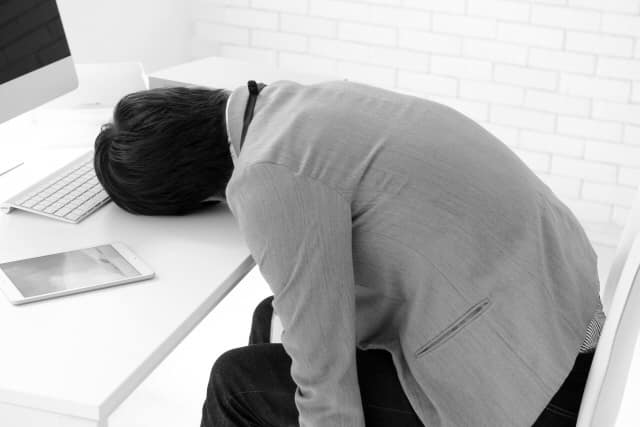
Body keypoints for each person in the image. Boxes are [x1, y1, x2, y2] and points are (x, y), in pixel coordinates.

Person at [94, 80, 606, 427]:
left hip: (532, 386)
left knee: (235, 383)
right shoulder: (296, 105)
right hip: (566, 322)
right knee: (271, 318)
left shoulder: (269, 177)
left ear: (192, 195)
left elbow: (328, 391)